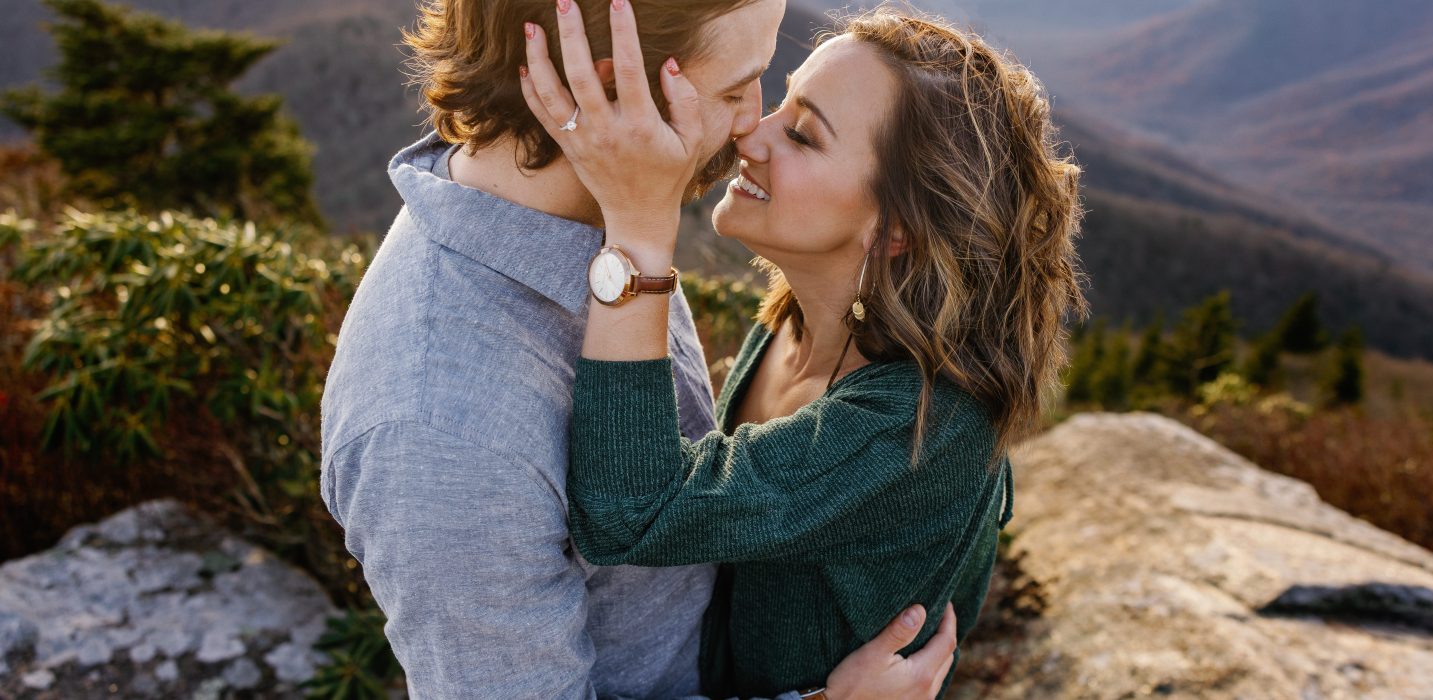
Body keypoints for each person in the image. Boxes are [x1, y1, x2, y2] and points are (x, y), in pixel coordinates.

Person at [318, 0, 957, 697]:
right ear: (611, 92)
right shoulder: (443, 432)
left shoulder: (613, 215)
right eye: (734, 90)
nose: (752, 125)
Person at [519, 2, 1091, 698]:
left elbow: (628, 515)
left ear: (895, 229)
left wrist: (637, 230)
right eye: (779, 103)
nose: (748, 134)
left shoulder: (922, 428)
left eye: (802, 135)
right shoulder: (794, 320)